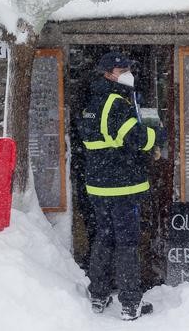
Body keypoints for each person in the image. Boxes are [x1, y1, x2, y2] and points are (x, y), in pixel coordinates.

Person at [77, 51, 164, 321]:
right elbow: (136, 138)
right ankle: (129, 304)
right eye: (121, 69)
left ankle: (99, 295)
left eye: (128, 68)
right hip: (122, 187)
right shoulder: (117, 104)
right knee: (127, 243)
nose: (127, 72)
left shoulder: (92, 104)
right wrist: (156, 133)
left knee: (103, 238)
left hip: (98, 186)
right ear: (107, 74)